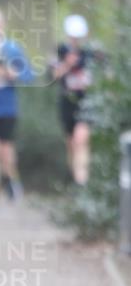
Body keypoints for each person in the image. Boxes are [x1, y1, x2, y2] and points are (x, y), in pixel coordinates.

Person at [0, 6, 34, 206]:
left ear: (2, 25)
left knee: (5, 149)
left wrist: (12, 73)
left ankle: (11, 180)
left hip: (6, 107)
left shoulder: (12, 48)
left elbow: (29, 75)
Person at [51, 14, 95, 185]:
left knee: (80, 139)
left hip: (87, 103)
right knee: (71, 143)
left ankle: (82, 183)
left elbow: (105, 76)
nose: (75, 40)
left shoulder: (91, 54)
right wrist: (67, 64)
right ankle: (74, 178)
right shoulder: (59, 52)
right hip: (67, 104)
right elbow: (51, 77)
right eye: (72, 36)